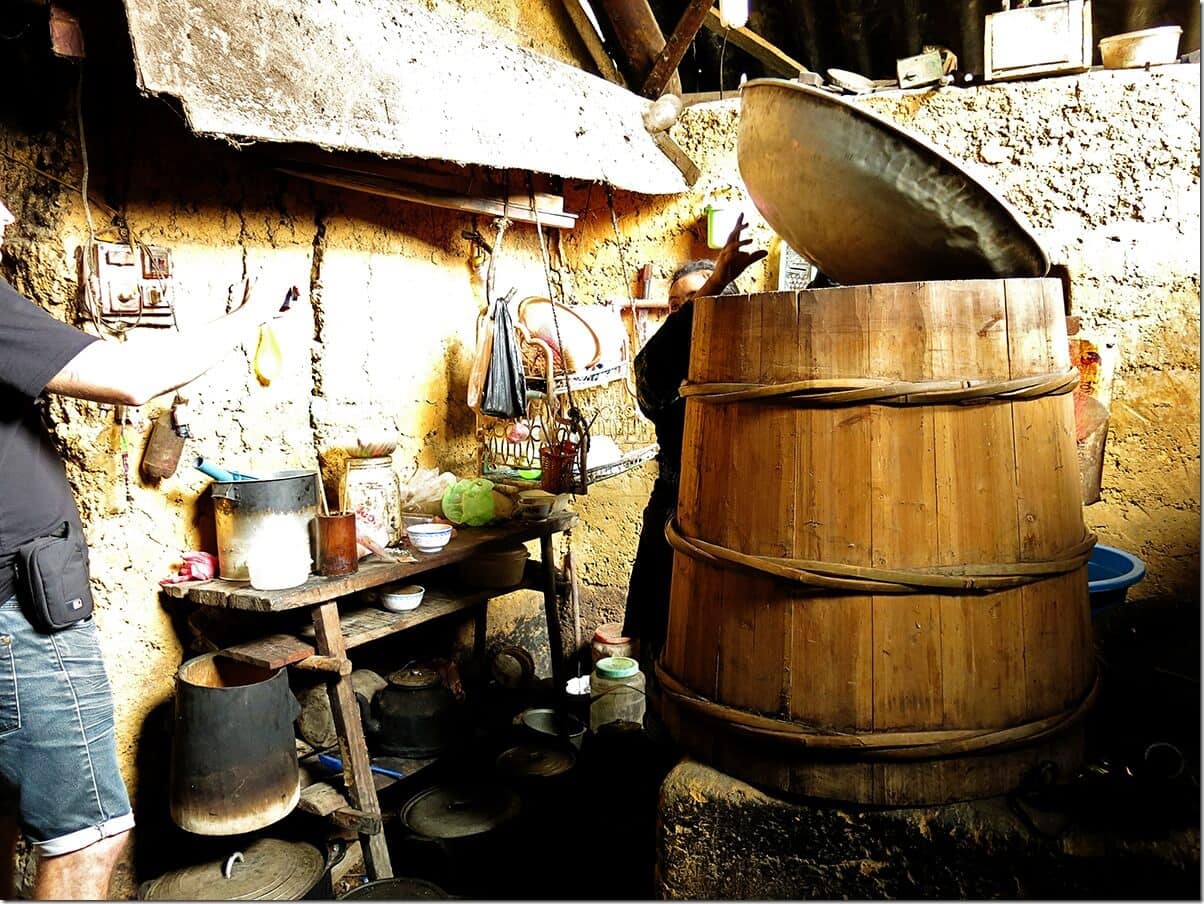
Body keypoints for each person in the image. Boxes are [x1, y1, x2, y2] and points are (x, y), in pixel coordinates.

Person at [0, 196, 288, 899]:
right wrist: (249, 313)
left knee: (9, 816)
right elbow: (131, 379)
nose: (8, 218)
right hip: (18, 613)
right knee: (88, 836)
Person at [621, 213, 767, 676]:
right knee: (658, 643)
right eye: (677, 308)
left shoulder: (755, 366)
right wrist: (715, 283)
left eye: (703, 301)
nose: (686, 314)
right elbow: (651, 375)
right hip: (673, 515)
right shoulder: (664, 372)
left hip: (741, 523)